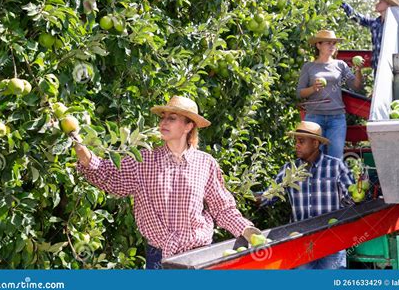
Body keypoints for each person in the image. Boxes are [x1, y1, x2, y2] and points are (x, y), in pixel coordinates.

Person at [73, 95, 261, 269]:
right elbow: (110, 176)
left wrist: (246, 229)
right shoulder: (144, 159)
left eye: (172, 118)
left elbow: (222, 208)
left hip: (199, 255)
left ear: (188, 126)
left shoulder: (205, 163)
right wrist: (86, 158)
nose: (163, 122)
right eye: (162, 117)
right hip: (159, 256)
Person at [257, 121, 355, 269]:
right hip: (301, 241)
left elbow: (351, 201)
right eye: (296, 141)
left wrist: (357, 192)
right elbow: (269, 197)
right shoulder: (290, 169)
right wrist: (248, 195)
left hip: (332, 239)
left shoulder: (336, 166)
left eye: (301, 141)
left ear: (315, 143)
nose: (297, 145)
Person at [297, 29, 363, 160]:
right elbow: (299, 93)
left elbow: (357, 86)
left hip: (336, 118)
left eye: (334, 43)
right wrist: (313, 88)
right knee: (312, 158)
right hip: (314, 118)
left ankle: (332, 181)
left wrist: (358, 70)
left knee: (335, 159)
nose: (332, 46)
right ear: (318, 45)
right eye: (328, 43)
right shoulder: (308, 67)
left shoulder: (340, 65)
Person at [341, 0, 399, 73]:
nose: (377, 4)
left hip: (391, 67)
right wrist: (342, 3)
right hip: (377, 67)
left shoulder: (395, 25)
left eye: (380, 2)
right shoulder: (375, 23)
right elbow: (358, 18)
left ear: (388, 6)